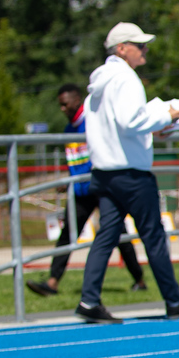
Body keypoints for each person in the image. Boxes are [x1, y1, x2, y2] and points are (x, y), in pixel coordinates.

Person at [75, 22, 179, 323]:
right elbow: (130, 122)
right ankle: (174, 300)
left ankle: (89, 300)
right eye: (139, 45)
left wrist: (155, 128)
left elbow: (120, 126)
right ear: (122, 49)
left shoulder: (98, 83)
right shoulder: (126, 79)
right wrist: (167, 115)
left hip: (105, 172)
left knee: (106, 236)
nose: (145, 50)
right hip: (131, 175)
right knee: (153, 235)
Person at [27, 84, 148, 298]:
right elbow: (75, 161)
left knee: (117, 232)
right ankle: (52, 283)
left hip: (101, 187)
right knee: (67, 234)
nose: (62, 108)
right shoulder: (68, 130)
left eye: (65, 104)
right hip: (81, 191)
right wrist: (68, 180)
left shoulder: (92, 122)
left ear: (76, 100)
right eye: (60, 105)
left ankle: (139, 279)